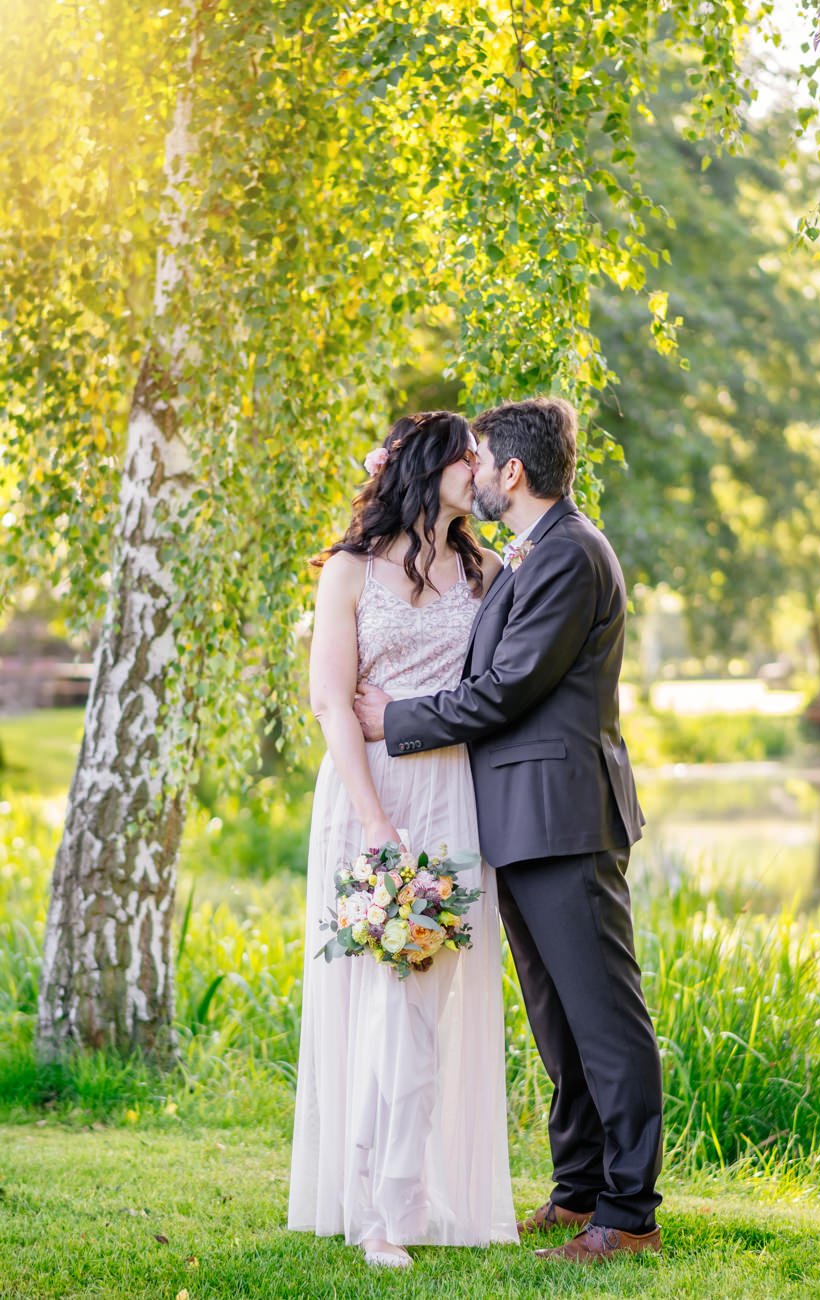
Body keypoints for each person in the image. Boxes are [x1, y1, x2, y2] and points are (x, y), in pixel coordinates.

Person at [355, 396, 664, 1266]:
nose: (477, 471)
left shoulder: (569, 554)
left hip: (565, 819)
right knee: (557, 1020)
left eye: (482, 458)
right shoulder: (530, 553)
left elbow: (507, 687)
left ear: (512, 474)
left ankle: (629, 1209)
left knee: (604, 1017)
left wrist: (397, 720)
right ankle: (577, 1192)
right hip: (521, 823)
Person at [287, 411, 518, 1268]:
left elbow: (500, 685)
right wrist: (376, 825)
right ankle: (374, 1208)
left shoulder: (486, 570)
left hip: (450, 793)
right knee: (382, 1001)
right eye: (469, 458)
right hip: (367, 797)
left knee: (424, 1005)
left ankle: (401, 1197)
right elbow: (328, 703)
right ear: (433, 467)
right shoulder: (347, 573)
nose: (482, 472)